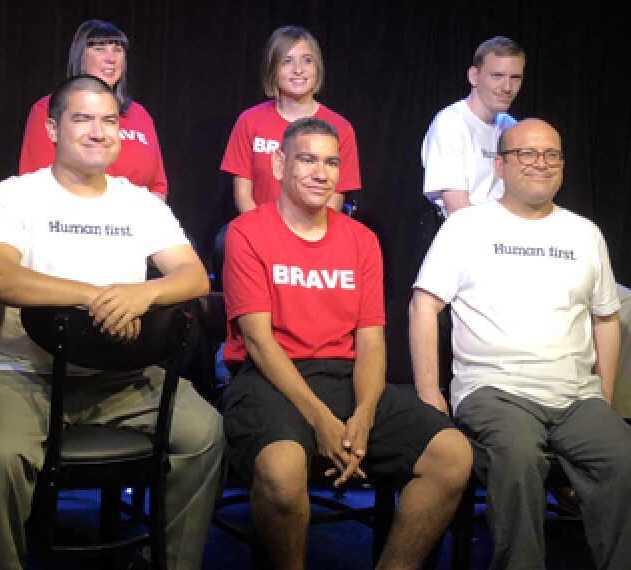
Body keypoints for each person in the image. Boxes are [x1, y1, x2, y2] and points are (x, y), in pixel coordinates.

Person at [0, 75, 223, 570]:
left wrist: (143, 293)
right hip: (22, 373)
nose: (99, 131)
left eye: (109, 120)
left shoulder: (140, 203)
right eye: (83, 118)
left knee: (203, 434)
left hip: (122, 378)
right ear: (53, 129)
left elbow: (192, 276)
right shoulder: (16, 195)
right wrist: (96, 296)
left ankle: (164, 562)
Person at [221, 117, 472, 570]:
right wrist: (322, 420)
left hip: (345, 375)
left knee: (452, 455)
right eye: (308, 159)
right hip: (271, 379)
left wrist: (363, 415)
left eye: (331, 162)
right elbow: (257, 343)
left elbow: (372, 343)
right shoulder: (247, 232)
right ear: (279, 164)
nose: (322, 172)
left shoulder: (361, 240)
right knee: (281, 471)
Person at [409, 118, 631, 569]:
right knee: (516, 460)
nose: (540, 163)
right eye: (526, 154)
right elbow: (423, 305)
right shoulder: (467, 226)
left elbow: (606, 318)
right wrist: (430, 392)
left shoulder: (584, 233)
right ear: (500, 165)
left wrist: (603, 397)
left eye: (551, 154)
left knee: (623, 457)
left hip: (575, 397)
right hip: (495, 392)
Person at [19, 19, 167, 200]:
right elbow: (37, 185)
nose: (111, 58)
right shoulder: (47, 109)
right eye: (100, 48)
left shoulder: (139, 114)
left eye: (117, 49)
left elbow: (158, 186)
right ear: (81, 56)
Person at [221, 26, 360, 213]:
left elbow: (335, 197)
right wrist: (265, 231)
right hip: (261, 229)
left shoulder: (340, 128)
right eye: (287, 62)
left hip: (314, 231)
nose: (298, 70)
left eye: (307, 61)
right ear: (272, 69)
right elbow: (243, 195)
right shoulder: (249, 121)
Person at [421, 36, 525, 218]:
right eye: (497, 76)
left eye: (515, 78)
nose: (507, 87)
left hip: (506, 235)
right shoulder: (450, 123)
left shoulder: (511, 127)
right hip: (465, 236)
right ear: (474, 76)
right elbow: (457, 209)